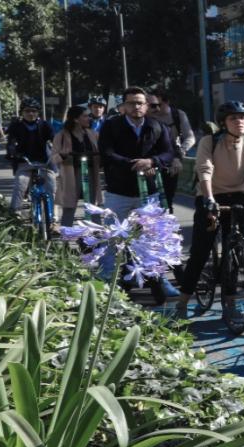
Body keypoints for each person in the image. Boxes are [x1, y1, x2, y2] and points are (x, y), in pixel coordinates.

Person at [174, 101, 244, 321]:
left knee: (235, 252)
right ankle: (182, 302)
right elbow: (204, 170)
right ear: (223, 122)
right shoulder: (209, 142)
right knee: (201, 250)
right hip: (210, 194)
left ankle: (230, 302)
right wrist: (209, 200)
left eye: (243, 117)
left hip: (238, 195)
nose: (240, 122)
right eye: (233, 118)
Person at [97, 86, 178, 298]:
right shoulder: (111, 126)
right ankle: (108, 280)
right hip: (118, 191)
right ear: (123, 106)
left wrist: (152, 161)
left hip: (148, 192)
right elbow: (106, 153)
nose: (137, 107)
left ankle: (159, 279)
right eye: (132, 103)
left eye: (141, 103)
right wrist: (133, 164)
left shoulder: (157, 126)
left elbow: (169, 152)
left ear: (147, 105)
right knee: (113, 237)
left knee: (153, 239)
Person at [50, 105, 101, 227]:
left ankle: (98, 236)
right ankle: (66, 237)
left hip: (90, 173)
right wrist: (63, 155)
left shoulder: (93, 134)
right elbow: (53, 158)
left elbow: (101, 153)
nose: (89, 118)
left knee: (93, 207)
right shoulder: (62, 135)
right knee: (69, 207)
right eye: (85, 116)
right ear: (75, 119)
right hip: (71, 175)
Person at [6, 98, 56, 216]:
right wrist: (13, 151)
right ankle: (15, 214)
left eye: (34, 111)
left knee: (52, 187)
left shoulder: (45, 125)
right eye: (27, 111)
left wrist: (58, 150)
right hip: (24, 162)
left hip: (45, 162)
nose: (31, 113)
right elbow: (11, 142)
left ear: (38, 112)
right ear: (22, 112)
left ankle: (53, 217)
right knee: (20, 185)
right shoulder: (16, 126)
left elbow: (55, 139)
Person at [148, 90, 195, 213]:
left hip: (171, 158)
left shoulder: (177, 115)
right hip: (150, 160)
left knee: (167, 198)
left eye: (159, 105)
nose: (156, 109)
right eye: (152, 106)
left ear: (167, 102)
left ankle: (167, 225)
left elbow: (190, 137)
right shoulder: (146, 116)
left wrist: (180, 153)